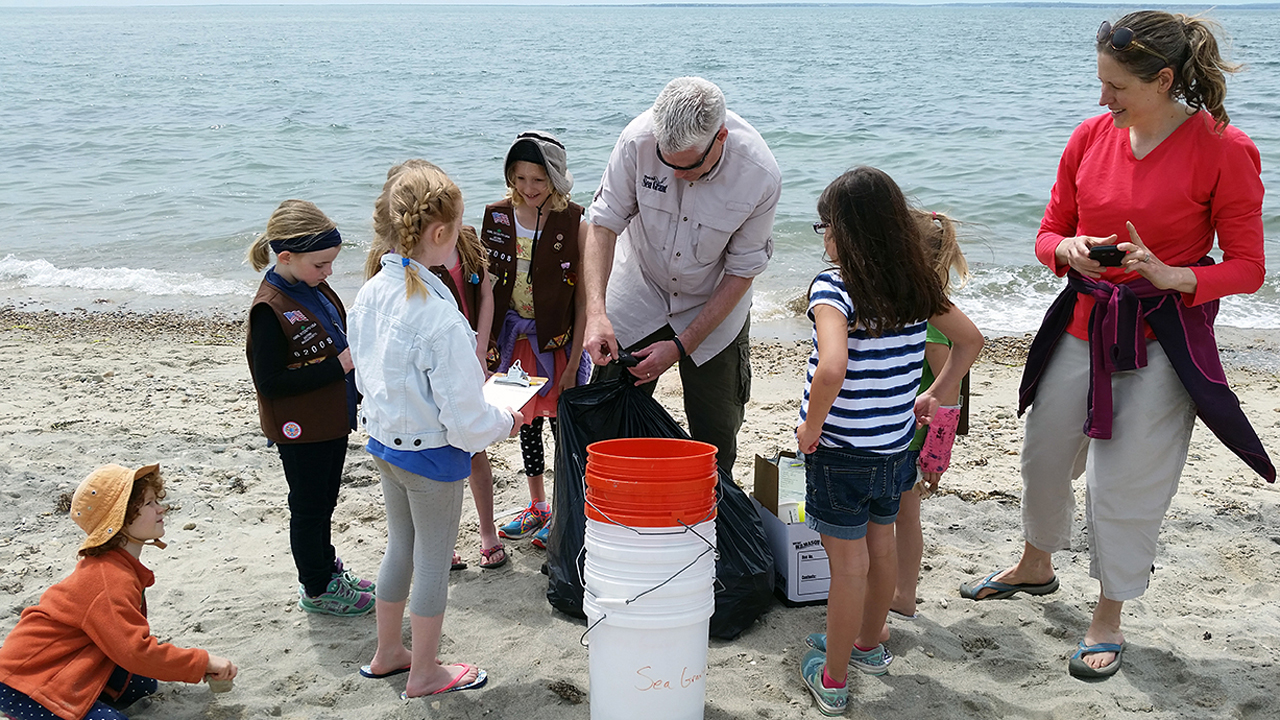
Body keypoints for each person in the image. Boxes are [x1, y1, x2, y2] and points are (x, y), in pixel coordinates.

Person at [959, 11, 1272, 681]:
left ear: (1164, 79)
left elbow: (1248, 266)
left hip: (1162, 340)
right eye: (1100, 83)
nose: (1104, 100)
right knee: (1043, 457)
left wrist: (1175, 275)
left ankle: (1107, 616)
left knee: (1119, 483)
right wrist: (1067, 250)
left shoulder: (1226, 149)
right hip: (1082, 325)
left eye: (1117, 87)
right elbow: (1048, 233)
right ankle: (1036, 564)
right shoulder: (1089, 136)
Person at [796, 168, 982, 716]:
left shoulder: (833, 287)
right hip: (893, 449)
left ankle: (832, 676)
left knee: (847, 567)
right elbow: (969, 341)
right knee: (881, 551)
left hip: (839, 454)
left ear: (844, 232)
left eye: (823, 226)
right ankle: (868, 646)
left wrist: (811, 428)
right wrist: (938, 394)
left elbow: (831, 367)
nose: (822, 237)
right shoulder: (914, 285)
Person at [349, 163, 523, 698]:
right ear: (440, 233)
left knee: (399, 545)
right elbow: (466, 422)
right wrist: (507, 420)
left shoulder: (372, 291)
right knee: (430, 558)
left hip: (383, 440)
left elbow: (367, 366)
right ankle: (423, 671)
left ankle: (387, 654)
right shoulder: (438, 316)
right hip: (431, 454)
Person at [583, 76, 781, 479]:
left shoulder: (759, 174)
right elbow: (603, 226)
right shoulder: (636, 140)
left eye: (689, 166)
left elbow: (743, 270)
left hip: (714, 306)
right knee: (604, 423)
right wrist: (596, 313)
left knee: (716, 434)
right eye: (666, 162)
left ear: (720, 138)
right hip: (639, 289)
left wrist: (682, 345)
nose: (676, 175)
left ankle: (708, 524)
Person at [0, 463, 237, 720]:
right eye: (148, 504)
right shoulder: (109, 578)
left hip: (71, 661)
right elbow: (135, 651)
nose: (161, 509)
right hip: (24, 681)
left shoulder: (118, 566)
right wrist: (203, 662)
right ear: (120, 520)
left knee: (141, 685)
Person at [370, 160, 505, 570]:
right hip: (427, 393)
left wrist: (479, 350)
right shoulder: (390, 266)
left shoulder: (460, 241)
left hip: (459, 360)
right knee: (424, 536)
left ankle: (486, 531)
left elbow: (484, 294)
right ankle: (438, 543)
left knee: (475, 453)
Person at [246, 199, 374, 617]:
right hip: (301, 427)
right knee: (307, 507)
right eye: (321, 264)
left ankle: (326, 569)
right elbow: (270, 384)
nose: (329, 272)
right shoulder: (270, 308)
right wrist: (338, 366)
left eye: (331, 264)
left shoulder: (312, 286)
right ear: (286, 257)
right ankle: (316, 587)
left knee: (324, 502)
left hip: (330, 418)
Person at [480, 131, 588, 549]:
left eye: (539, 180)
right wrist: (484, 346)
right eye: (520, 178)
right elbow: (485, 288)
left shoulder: (574, 220)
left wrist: (576, 359)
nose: (528, 189)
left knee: (563, 427)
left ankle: (564, 510)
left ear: (557, 180)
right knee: (525, 423)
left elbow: (581, 301)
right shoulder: (497, 216)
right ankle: (538, 504)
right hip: (513, 340)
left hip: (555, 343)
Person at [891, 209, 972, 621]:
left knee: (905, 515)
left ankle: (904, 594)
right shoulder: (912, 309)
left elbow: (951, 387)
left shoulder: (934, 321)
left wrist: (938, 455)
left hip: (915, 435)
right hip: (901, 429)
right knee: (898, 514)